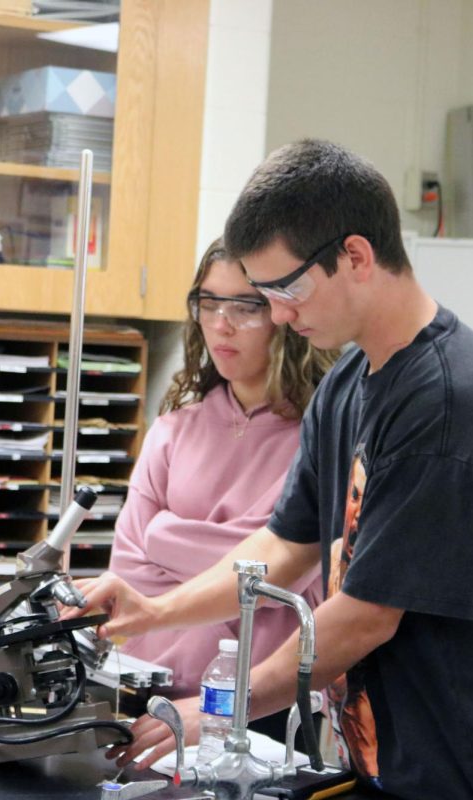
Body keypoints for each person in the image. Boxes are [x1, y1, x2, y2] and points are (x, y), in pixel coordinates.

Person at [69, 140, 473, 800]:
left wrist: (221, 704)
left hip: (467, 775)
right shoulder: (351, 383)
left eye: (286, 289)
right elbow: (283, 548)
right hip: (381, 766)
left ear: (355, 256)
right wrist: (153, 612)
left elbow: (365, 616)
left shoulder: (448, 406)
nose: (276, 314)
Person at [107, 237, 336, 717]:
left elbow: (293, 583)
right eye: (209, 303)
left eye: (245, 306)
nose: (221, 324)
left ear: (284, 315)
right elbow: (130, 571)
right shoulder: (172, 432)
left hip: (263, 704)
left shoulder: (320, 440)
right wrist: (242, 580)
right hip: (154, 693)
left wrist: (165, 537)